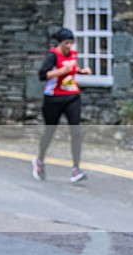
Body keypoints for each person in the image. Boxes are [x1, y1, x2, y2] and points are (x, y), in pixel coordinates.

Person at [32, 28, 91, 183]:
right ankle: (40, 161)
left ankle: (76, 169)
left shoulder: (72, 54)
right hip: (53, 99)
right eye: (66, 43)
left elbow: (72, 69)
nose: (69, 46)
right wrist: (60, 72)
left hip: (72, 96)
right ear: (60, 43)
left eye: (71, 43)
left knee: (76, 131)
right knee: (50, 131)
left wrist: (82, 71)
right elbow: (42, 75)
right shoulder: (52, 55)